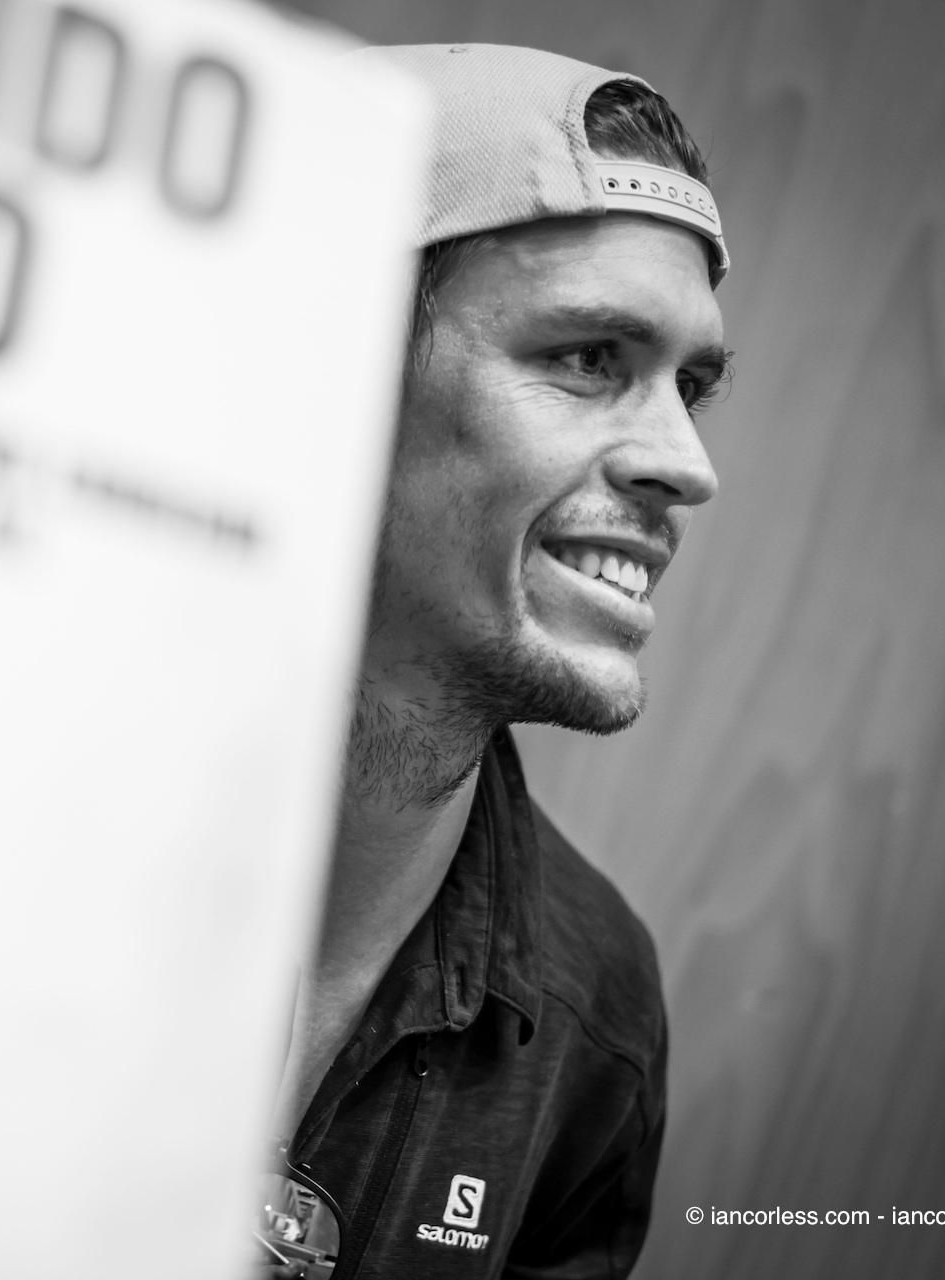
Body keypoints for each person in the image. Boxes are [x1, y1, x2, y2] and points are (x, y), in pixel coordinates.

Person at [259, 45, 733, 1280]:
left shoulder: (600, 1011)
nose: (688, 464)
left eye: (691, 385)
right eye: (588, 357)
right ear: (332, 369)